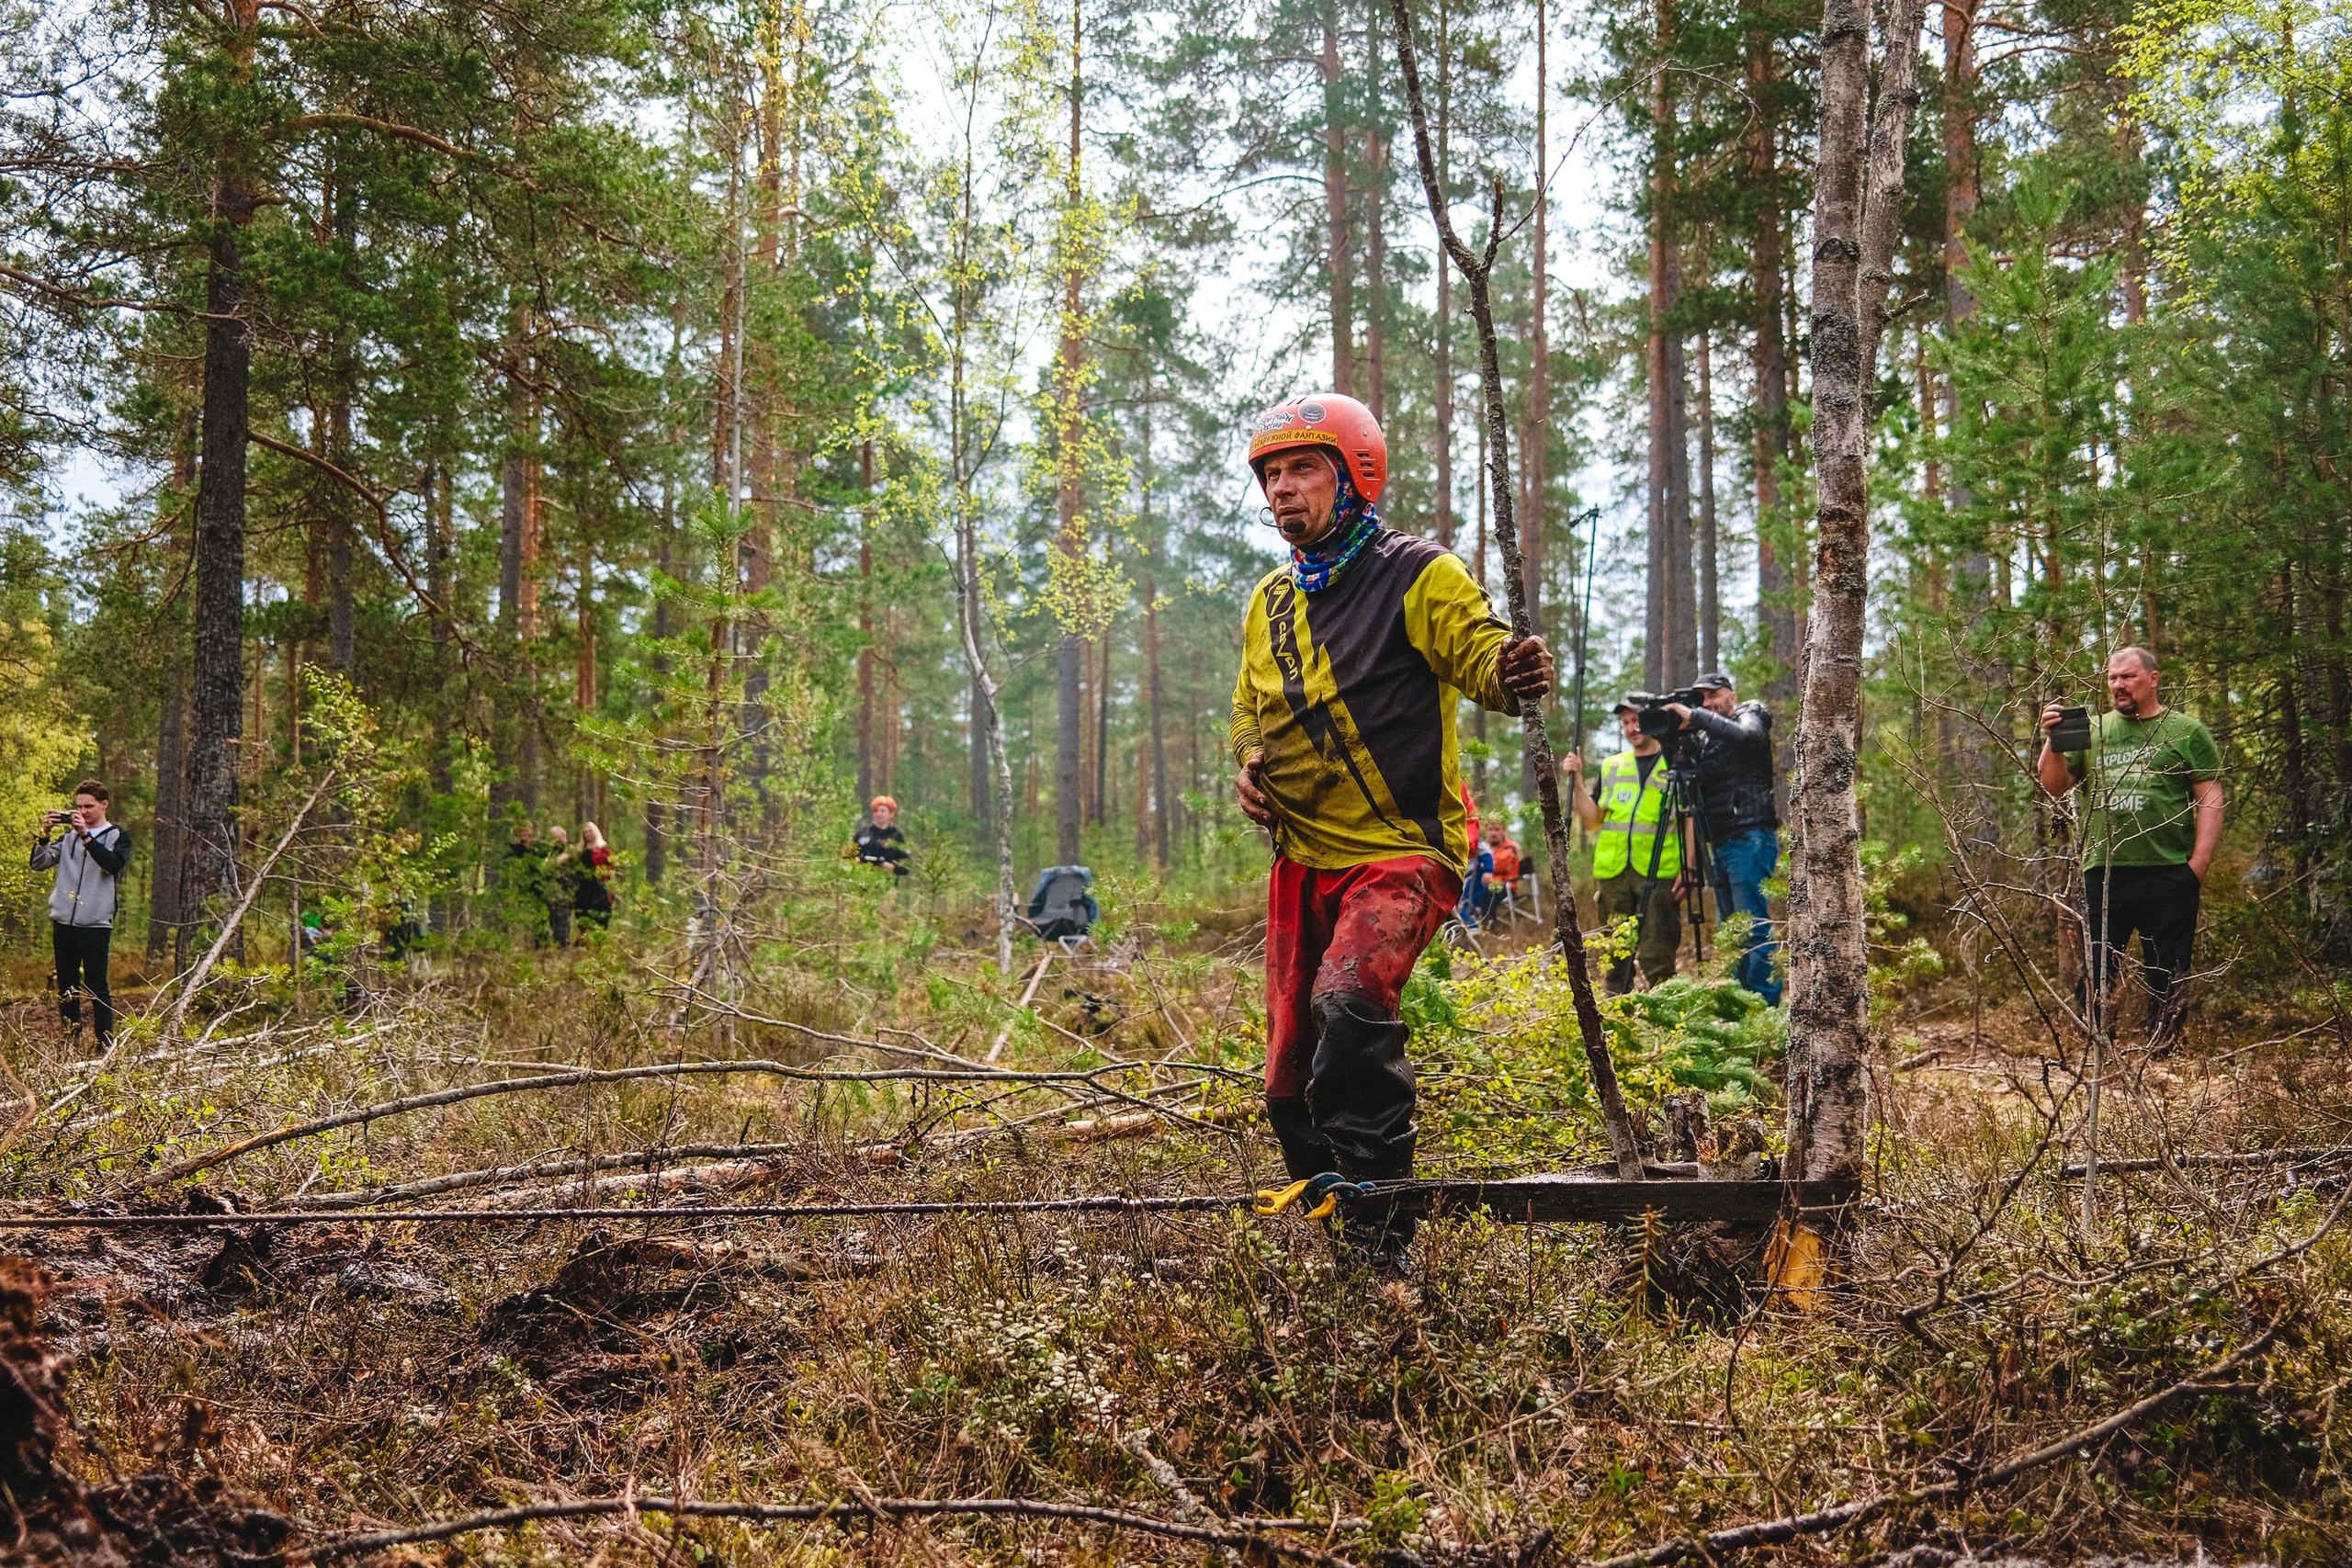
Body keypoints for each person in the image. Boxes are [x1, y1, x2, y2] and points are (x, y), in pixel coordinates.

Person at [1229, 391, 1554, 1273]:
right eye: (1272, 475)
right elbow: (1249, 714)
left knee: (1350, 1005)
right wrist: (1249, 767)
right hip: (1304, 861)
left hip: (1400, 853)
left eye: (1303, 470)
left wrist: (1512, 666)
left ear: (1354, 474)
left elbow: (1482, 658)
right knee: (1287, 1079)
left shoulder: (1420, 574)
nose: (1283, 490)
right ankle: (1345, 1242)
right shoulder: (1268, 603)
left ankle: (1384, 1255)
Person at [2037, 646, 2223, 1040]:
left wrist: (2198, 865)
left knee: (2168, 971)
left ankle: (2163, 1049)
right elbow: (2054, 786)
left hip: (2169, 871)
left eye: (2128, 677)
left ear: (2153, 679)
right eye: (2112, 678)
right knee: (2097, 968)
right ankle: (2099, 1051)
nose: (2118, 686)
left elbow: (2210, 797)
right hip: (2104, 871)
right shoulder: (2093, 730)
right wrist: (2052, 741)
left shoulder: (2187, 732)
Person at [1661, 671, 1782, 1005]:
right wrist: (1675, 736)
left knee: (1753, 928)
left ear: (1732, 694)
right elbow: (1689, 783)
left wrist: (1696, 716)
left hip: (1751, 836)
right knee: (1731, 934)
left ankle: (1767, 1010)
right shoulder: (1708, 738)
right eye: (1703, 698)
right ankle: (1740, 1009)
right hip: (1723, 843)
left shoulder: (1751, 714)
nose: (1708, 702)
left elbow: (1746, 738)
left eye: (1714, 694)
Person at [1566, 700, 1688, 994]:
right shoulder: (1612, 766)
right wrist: (1578, 781)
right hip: (1613, 873)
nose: (1632, 728)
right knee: (1615, 955)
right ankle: (1617, 1021)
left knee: (1657, 956)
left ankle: (1667, 1022)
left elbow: (1688, 819)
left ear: (1650, 720)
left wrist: (1690, 867)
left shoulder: (1675, 762)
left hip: (1660, 873)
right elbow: (1593, 819)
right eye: (1625, 723)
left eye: (1637, 720)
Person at [31, 780, 130, 1051]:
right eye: (79, 807)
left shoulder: (117, 836)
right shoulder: (67, 839)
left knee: (97, 984)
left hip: (97, 923)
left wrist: (86, 835)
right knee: (66, 985)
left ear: (104, 805)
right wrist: (44, 834)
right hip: (64, 921)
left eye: (89, 806)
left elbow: (112, 865)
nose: (83, 812)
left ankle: (105, 1042)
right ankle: (71, 1040)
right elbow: (38, 864)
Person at [853, 795, 910, 878]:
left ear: (891, 814)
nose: (879, 814)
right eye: (876, 811)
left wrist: (892, 867)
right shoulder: (862, 833)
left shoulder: (896, 836)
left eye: (883, 811)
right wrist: (857, 861)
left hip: (886, 884)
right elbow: (847, 856)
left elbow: (907, 866)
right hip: (861, 882)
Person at [573, 821, 615, 933]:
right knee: (583, 913)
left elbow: (612, 865)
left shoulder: (603, 849)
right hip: (584, 888)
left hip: (599, 886)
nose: (587, 834)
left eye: (590, 831)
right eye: (585, 832)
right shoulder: (580, 850)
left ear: (595, 832)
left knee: (600, 913)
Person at [542, 826, 577, 947]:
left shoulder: (570, 849)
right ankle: (555, 944)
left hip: (566, 890)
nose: (554, 840)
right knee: (553, 919)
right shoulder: (551, 851)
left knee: (563, 919)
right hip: (551, 891)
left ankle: (563, 946)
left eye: (556, 837)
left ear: (563, 836)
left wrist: (549, 863)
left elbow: (552, 864)